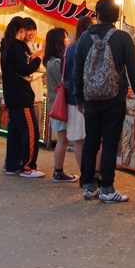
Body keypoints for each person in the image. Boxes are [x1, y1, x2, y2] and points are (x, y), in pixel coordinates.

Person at [73, 0, 135, 203]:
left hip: (91, 100)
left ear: (97, 15)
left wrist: (79, 97)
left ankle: (88, 186)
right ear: (116, 17)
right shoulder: (122, 38)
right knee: (110, 143)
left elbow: (77, 70)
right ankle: (107, 189)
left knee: (91, 142)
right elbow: (133, 68)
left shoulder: (85, 39)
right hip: (115, 98)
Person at [0, 16, 45, 177]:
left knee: (15, 132)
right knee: (31, 131)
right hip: (21, 95)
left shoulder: (6, 46)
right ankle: (28, 166)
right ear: (22, 30)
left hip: (12, 94)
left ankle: (12, 165)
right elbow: (23, 69)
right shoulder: (17, 47)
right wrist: (37, 60)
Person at [62, 15, 96, 173]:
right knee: (95, 140)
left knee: (79, 140)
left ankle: (85, 175)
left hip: (72, 99)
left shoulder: (68, 49)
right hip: (90, 99)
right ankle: (93, 175)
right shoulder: (92, 47)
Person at [44, 26, 77, 182]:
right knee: (62, 140)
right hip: (60, 105)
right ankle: (58, 171)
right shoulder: (56, 62)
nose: (68, 39)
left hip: (56, 103)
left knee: (62, 139)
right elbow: (64, 83)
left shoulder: (52, 61)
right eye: (65, 37)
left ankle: (59, 171)